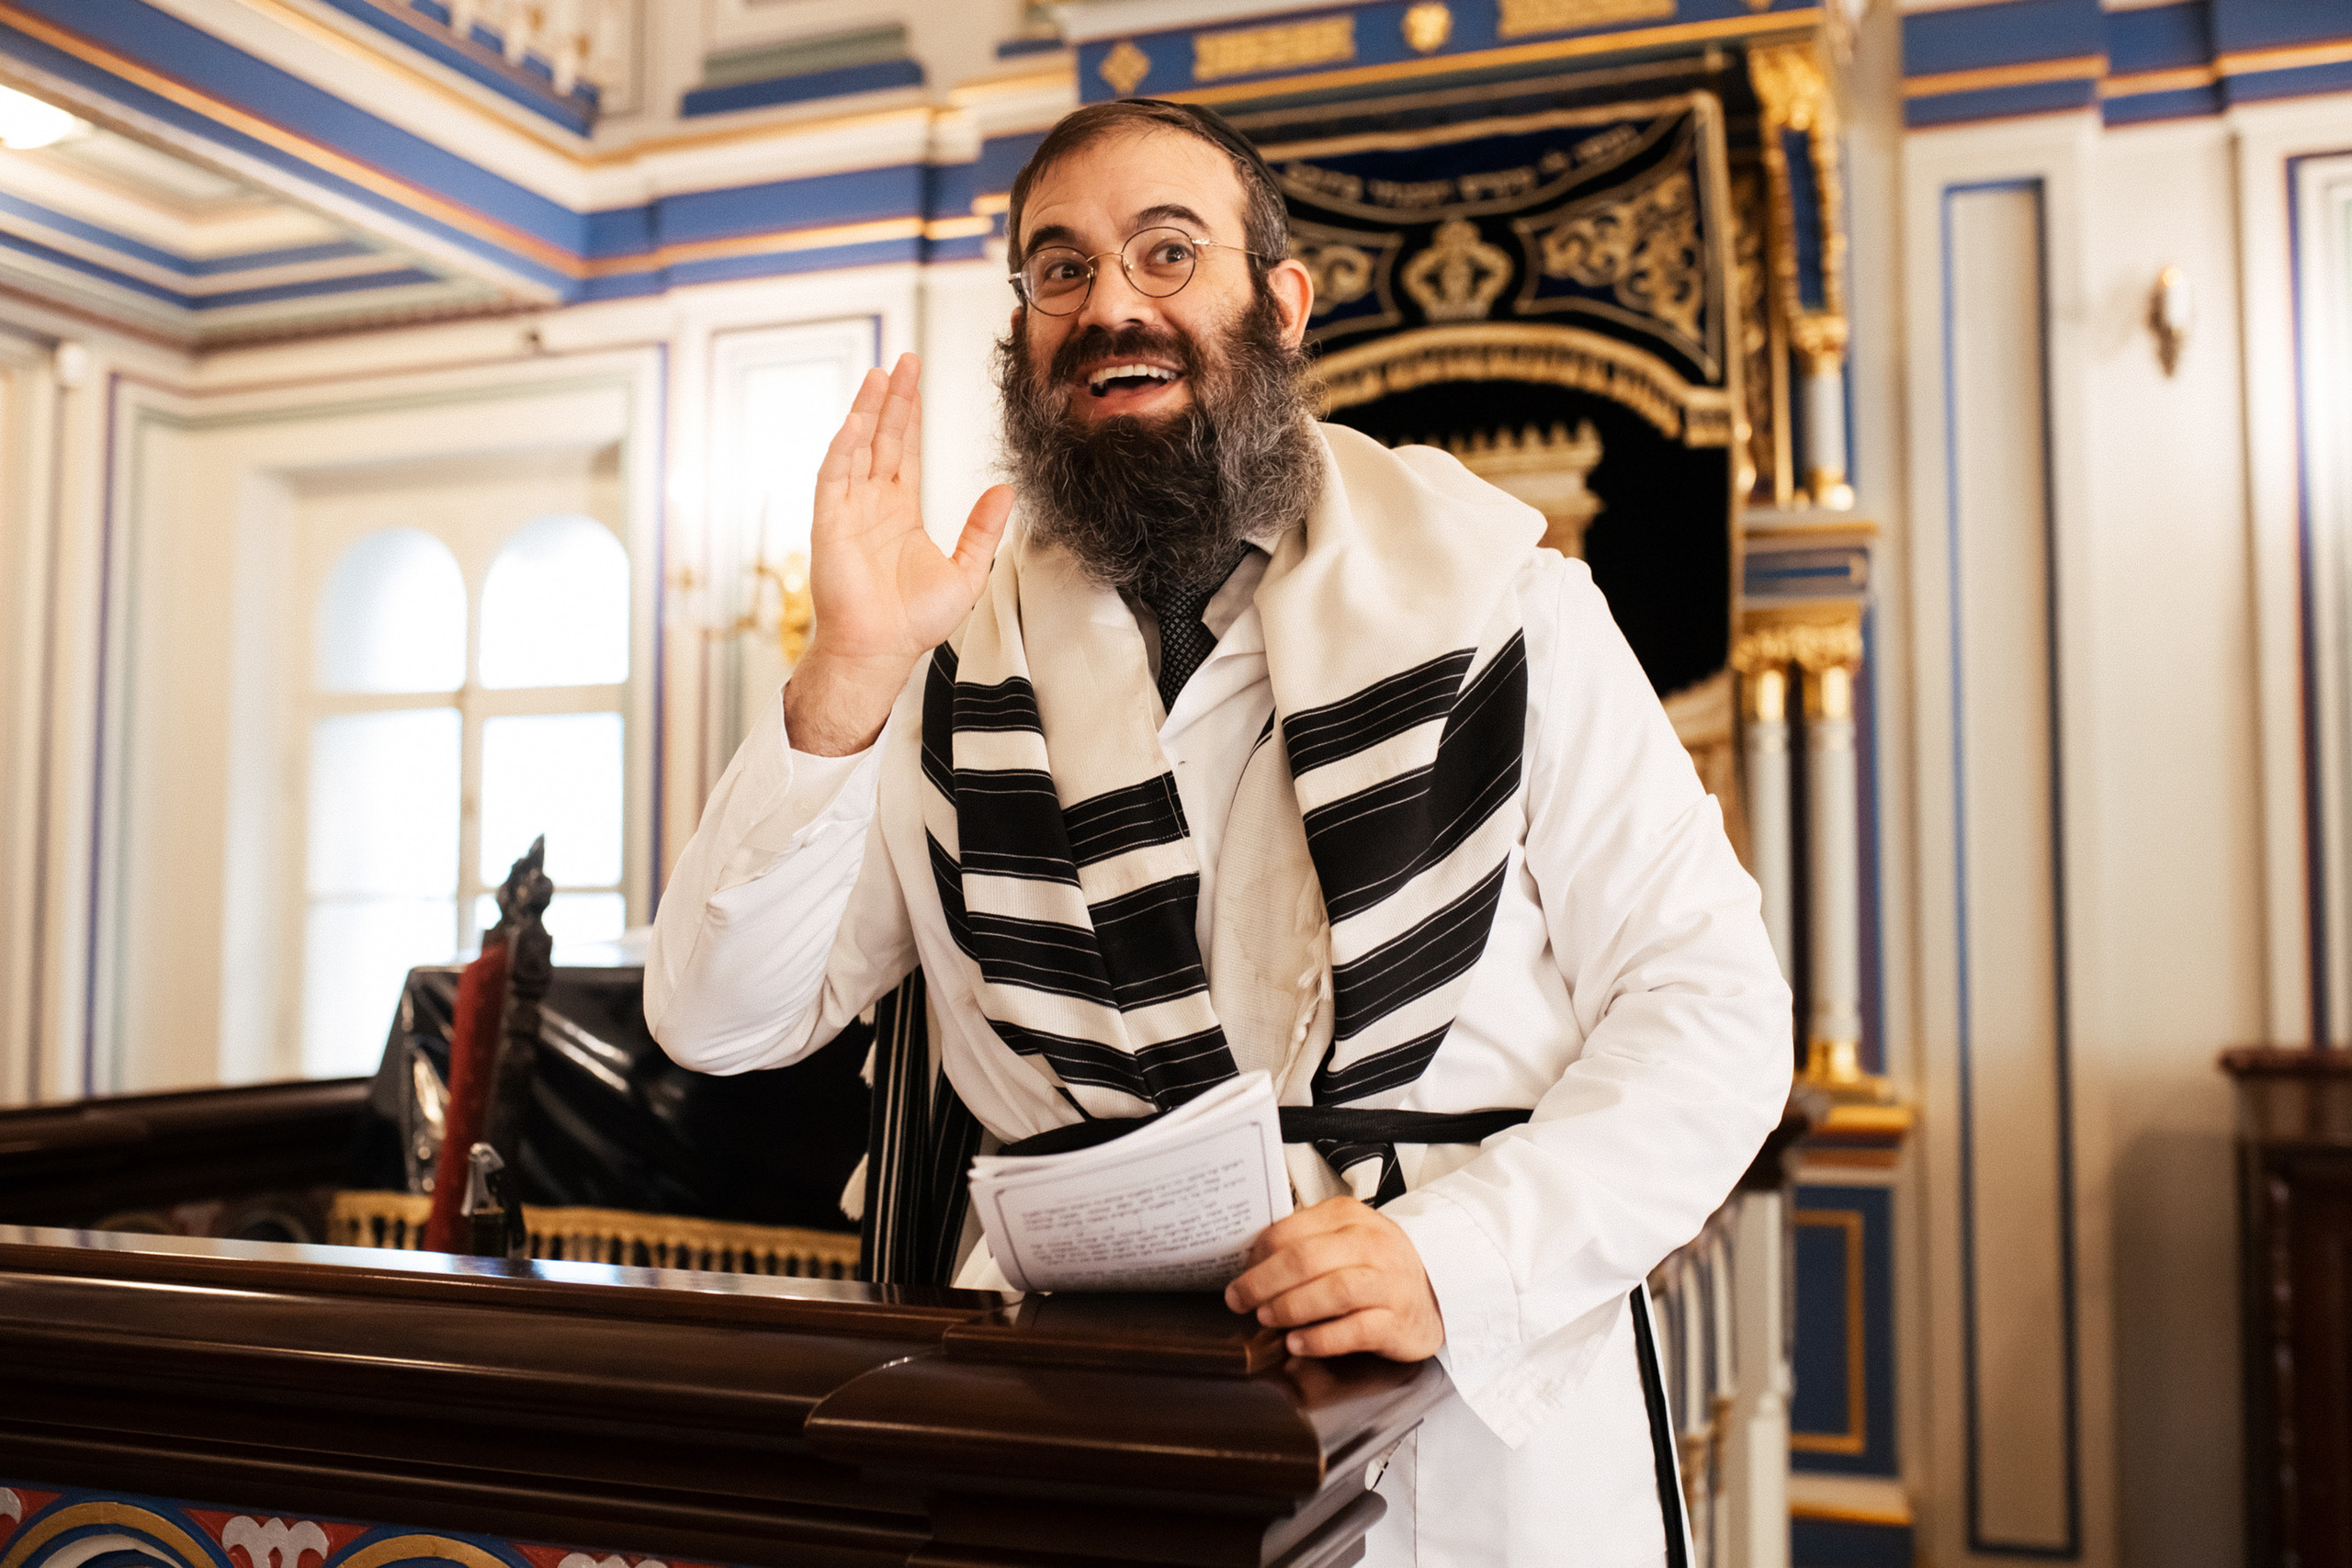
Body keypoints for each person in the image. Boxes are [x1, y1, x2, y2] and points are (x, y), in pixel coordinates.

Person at [648, 97, 1791, 1568]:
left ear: (1282, 303)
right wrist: (850, 673)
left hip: (1473, 1434)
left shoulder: (1510, 607)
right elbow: (716, 1018)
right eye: (1058, 270)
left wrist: (1460, 1258)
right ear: (1023, 337)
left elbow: (1713, 1012)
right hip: (1078, 1416)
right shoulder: (941, 663)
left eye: (1167, 252)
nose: (1112, 302)